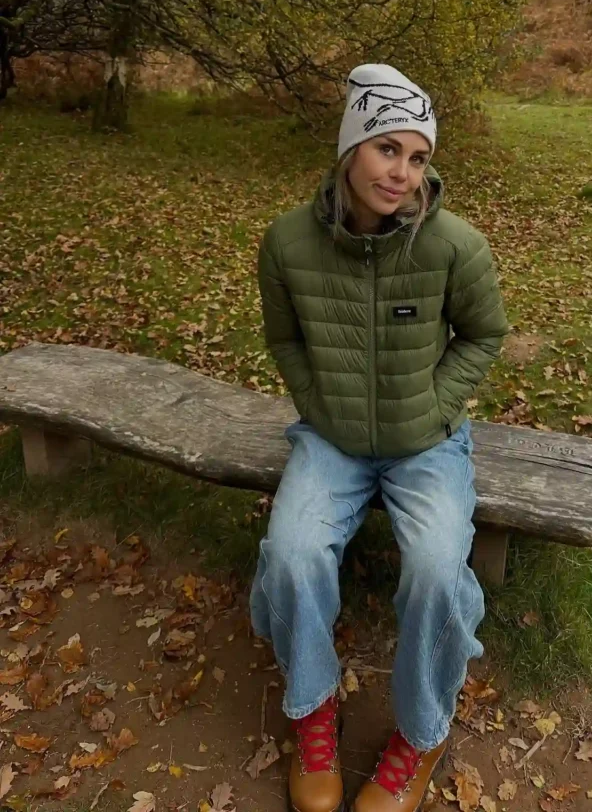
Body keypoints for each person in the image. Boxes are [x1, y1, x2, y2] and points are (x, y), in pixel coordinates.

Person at [251, 63, 508, 812]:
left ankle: (421, 734)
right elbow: (284, 337)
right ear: (349, 149)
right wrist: (317, 403)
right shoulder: (287, 242)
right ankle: (313, 710)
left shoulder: (453, 245)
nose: (402, 173)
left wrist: (433, 406)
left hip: (427, 445)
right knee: (292, 553)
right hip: (331, 440)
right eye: (387, 148)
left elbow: (484, 334)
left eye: (418, 157)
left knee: (435, 567)